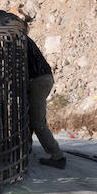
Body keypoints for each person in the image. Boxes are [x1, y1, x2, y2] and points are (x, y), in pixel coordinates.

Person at [27, 35, 66, 169]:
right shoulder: (22, 38)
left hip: (38, 80)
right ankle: (26, 148)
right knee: (31, 116)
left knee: (37, 121)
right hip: (42, 78)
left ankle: (57, 156)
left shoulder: (17, 40)